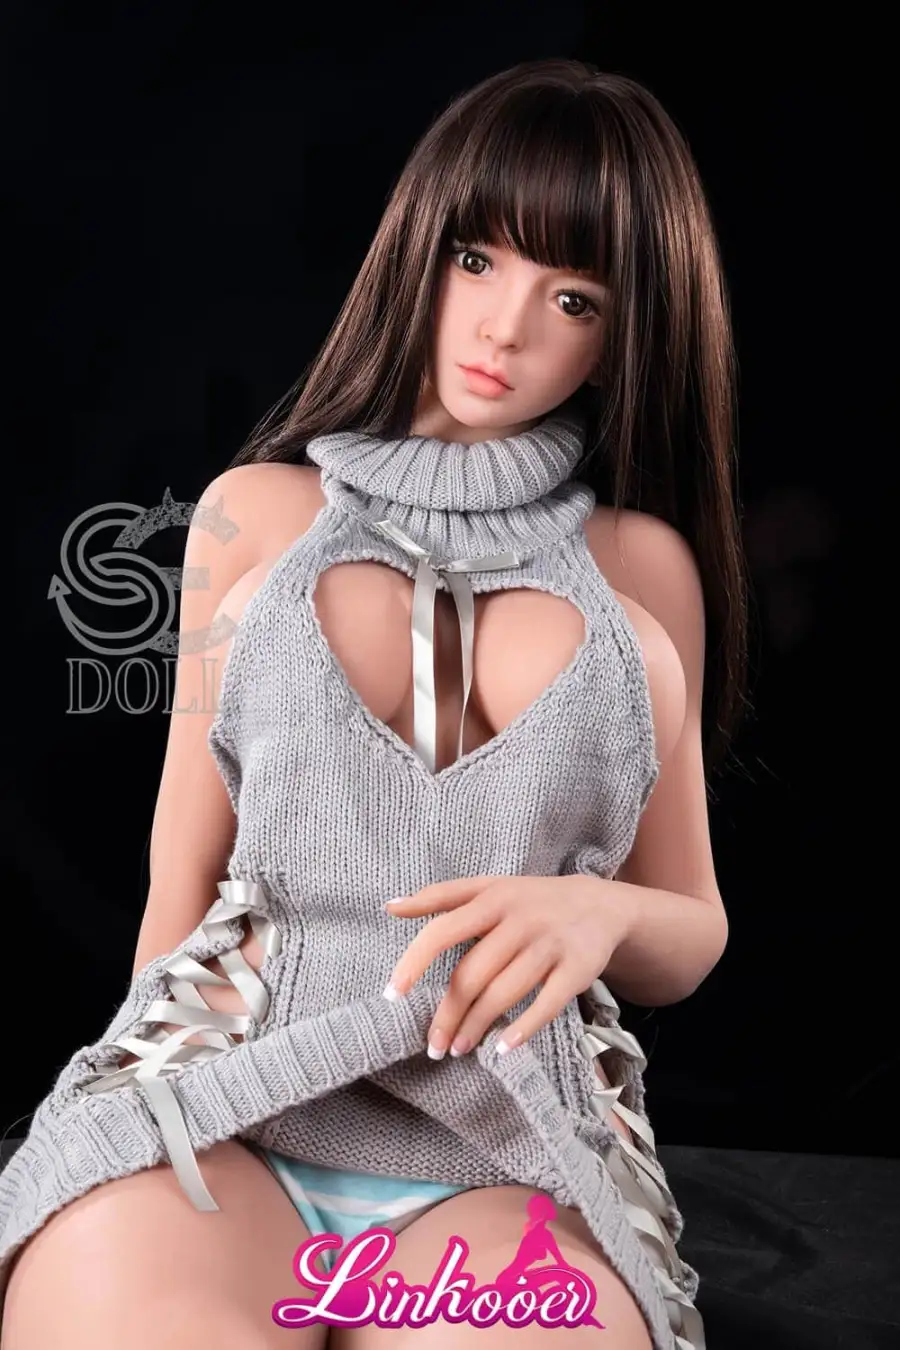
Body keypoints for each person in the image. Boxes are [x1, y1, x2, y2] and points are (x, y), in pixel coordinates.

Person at [0, 57, 746, 1350]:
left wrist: (602, 907)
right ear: (418, 249)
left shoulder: (640, 566)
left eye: (572, 296)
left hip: (509, 1142)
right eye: (477, 259)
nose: (505, 328)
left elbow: (692, 924)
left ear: (626, 331)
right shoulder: (255, 514)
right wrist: (122, 1104)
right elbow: (182, 873)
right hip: (225, 1107)